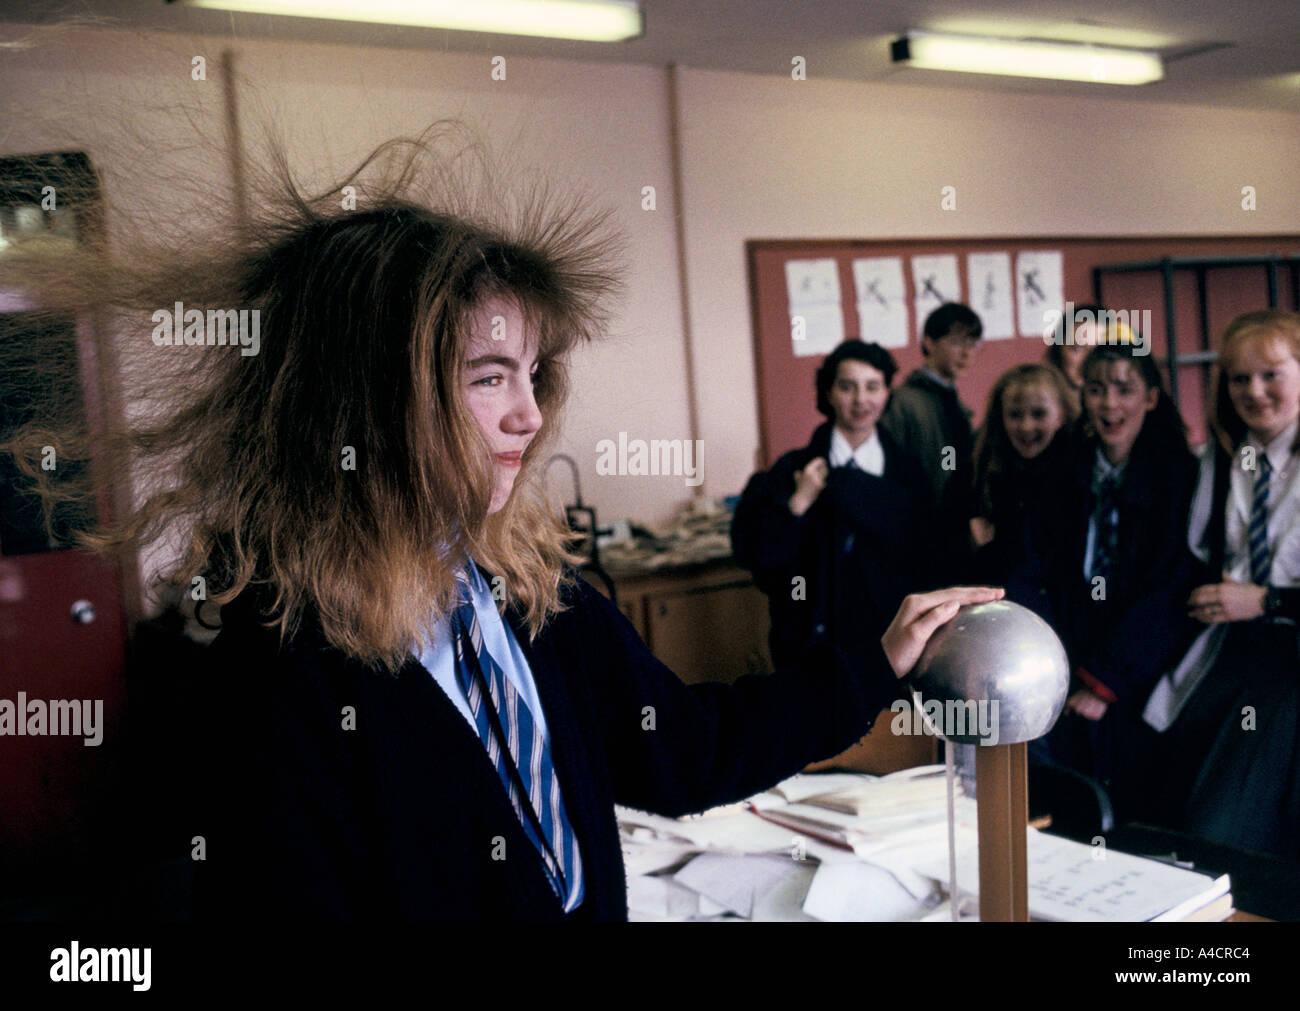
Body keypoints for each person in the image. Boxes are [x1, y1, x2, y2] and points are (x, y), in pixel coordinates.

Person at [1, 132, 1000, 921]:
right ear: (368, 403)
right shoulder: (279, 674)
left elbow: (681, 752)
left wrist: (874, 663)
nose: (530, 413)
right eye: (488, 379)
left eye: (532, 375)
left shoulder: (532, 598)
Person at [1143, 309, 1300, 856]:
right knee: (1174, 810)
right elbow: (1190, 563)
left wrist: (1267, 600)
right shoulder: (1223, 460)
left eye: (1271, 374)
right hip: (1230, 654)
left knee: (1230, 826)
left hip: (1288, 661)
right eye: (1239, 378)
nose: (1254, 392)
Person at [1023, 340, 1199, 819]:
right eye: (1097, 389)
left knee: (1136, 805)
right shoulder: (1061, 469)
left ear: (1151, 398)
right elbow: (1036, 568)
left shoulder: (1181, 477)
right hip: (1068, 657)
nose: (1110, 404)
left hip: (1139, 668)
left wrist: (1104, 681)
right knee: (1066, 802)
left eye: (1125, 390)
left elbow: (1173, 588)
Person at [732, 340, 932, 671]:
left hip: (890, 646)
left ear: (886, 393)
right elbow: (757, 559)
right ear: (828, 393)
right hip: (810, 645)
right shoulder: (792, 470)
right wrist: (797, 505)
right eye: (847, 387)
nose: (861, 400)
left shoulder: (908, 472)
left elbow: (927, 561)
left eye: (873, 387)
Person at [941, 363, 1074, 618]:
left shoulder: (1082, 477)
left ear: (1060, 415)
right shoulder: (972, 477)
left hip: (1061, 628)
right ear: (1000, 417)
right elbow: (938, 561)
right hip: (993, 624)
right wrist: (969, 544)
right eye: (1015, 415)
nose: (1026, 426)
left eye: (1038, 414)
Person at [879, 301, 982, 509]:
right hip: (920, 522)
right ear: (929, 343)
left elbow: (950, 461)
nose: (967, 353)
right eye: (956, 342)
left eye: (972, 344)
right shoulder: (903, 402)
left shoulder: (951, 399)